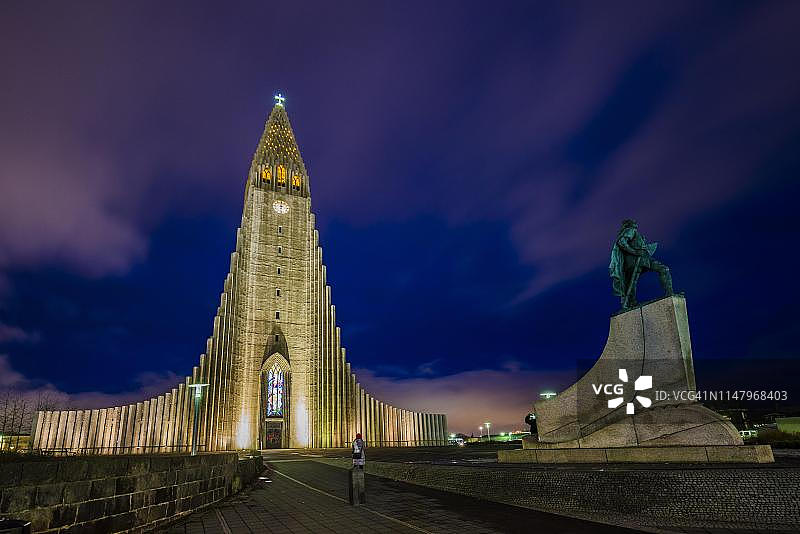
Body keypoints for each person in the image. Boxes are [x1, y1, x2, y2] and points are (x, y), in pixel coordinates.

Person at [609, 219, 673, 309]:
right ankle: (631, 302)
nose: (636, 224)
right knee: (632, 282)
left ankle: (669, 293)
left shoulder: (634, 232)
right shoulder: (630, 230)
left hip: (644, 259)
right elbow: (622, 242)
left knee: (663, 269)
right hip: (636, 260)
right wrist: (635, 251)